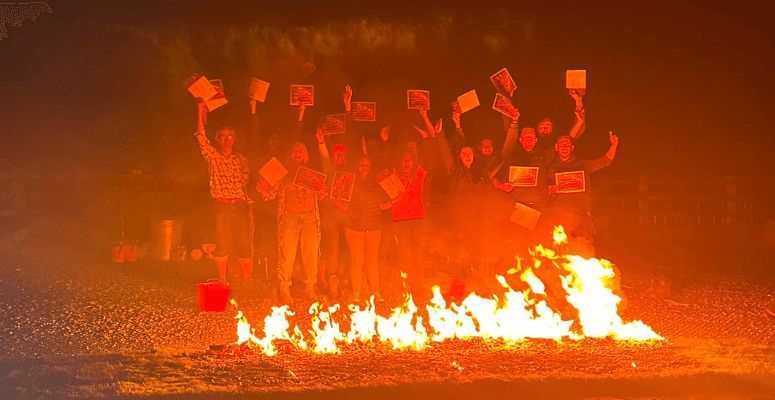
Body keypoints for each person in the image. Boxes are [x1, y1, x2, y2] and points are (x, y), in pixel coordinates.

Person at [257, 106, 325, 303]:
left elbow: (322, 196)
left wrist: (322, 191)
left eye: (301, 151)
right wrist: (263, 189)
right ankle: (284, 289)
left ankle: (310, 288)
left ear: (306, 155)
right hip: (290, 218)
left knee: (311, 255)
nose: (297, 154)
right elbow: (269, 194)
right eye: (294, 151)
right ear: (290, 154)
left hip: (311, 218)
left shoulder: (312, 173)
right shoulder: (282, 171)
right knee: (287, 254)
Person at [194, 102, 252, 284]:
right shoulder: (214, 157)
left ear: (234, 139)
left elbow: (246, 181)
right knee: (223, 244)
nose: (227, 140)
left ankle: (247, 280)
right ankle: (222, 280)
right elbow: (201, 137)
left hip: (240, 205)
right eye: (223, 137)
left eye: (230, 137)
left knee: (244, 243)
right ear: (218, 139)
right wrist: (200, 112)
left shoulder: (241, 159)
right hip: (222, 206)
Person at [544, 131, 619, 253]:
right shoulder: (550, 168)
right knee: (560, 249)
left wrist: (614, 145)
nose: (564, 147)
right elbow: (540, 189)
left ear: (572, 148)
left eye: (567, 145)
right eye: (561, 144)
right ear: (556, 148)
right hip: (559, 215)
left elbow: (605, 161)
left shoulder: (582, 164)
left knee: (584, 248)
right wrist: (548, 189)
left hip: (581, 215)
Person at [338, 156, 392, 303]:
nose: (364, 167)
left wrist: (397, 199)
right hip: (354, 228)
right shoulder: (350, 182)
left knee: (372, 261)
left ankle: (375, 291)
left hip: (374, 227)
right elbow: (344, 207)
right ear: (357, 166)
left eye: (366, 165)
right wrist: (337, 199)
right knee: (357, 260)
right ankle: (356, 293)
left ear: (370, 167)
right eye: (361, 165)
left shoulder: (376, 184)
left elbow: (382, 205)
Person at [536, 89, 586, 158]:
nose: (545, 128)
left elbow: (572, 134)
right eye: (542, 126)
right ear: (537, 129)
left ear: (553, 129)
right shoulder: (532, 141)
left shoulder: (557, 140)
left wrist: (578, 102)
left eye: (548, 125)